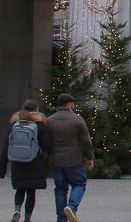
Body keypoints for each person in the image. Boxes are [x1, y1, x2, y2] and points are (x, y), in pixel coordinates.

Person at [0, 99, 53, 222]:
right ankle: (27, 218)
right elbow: (47, 146)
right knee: (31, 192)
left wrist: (1, 169)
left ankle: (17, 210)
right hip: (34, 161)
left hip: (17, 161)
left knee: (20, 189)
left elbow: (6, 146)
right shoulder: (40, 125)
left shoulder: (15, 124)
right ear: (37, 110)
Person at [45, 93, 93, 222]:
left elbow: (46, 142)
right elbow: (86, 141)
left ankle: (61, 219)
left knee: (60, 189)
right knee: (79, 184)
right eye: (72, 103)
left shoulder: (49, 120)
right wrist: (90, 158)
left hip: (56, 161)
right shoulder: (77, 119)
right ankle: (71, 206)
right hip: (74, 160)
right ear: (69, 104)